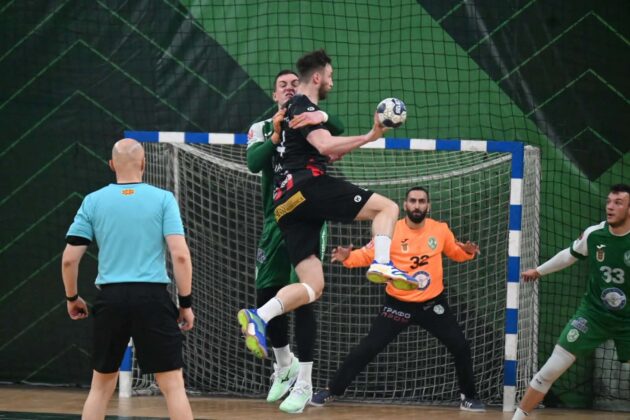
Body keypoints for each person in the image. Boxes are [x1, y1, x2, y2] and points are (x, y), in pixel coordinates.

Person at [238, 48, 417, 412]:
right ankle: (383, 263)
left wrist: (358, 134)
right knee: (387, 208)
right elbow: (323, 144)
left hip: (286, 206)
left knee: (312, 287)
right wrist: (369, 134)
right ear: (318, 77)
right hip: (308, 188)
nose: (333, 82)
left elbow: (330, 150)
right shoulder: (301, 104)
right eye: (331, 76)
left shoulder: (297, 113)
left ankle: (262, 316)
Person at [309, 186, 486, 411]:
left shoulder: (440, 230)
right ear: (405, 205)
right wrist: (347, 257)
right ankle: (332, 390)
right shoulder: (390, 230)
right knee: (368, 347)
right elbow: (367, 255)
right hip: (398, 305)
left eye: (422, 201)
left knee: (460, 345)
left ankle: (468, 397)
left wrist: (467, 251)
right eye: (413, 201)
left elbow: (455, 251)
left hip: (432, 304)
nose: (417, 205)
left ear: (428, 206)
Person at [61, 138, 195, 420]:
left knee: (100, 388)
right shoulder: (163, 199)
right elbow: (181, 256)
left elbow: (69, 259)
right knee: (173, 386)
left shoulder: (93, 201)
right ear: (144, 163)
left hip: (110, 299)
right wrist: (185, 304)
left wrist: (72, 297)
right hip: (152, 299)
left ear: (111, 165)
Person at [246, 69, 344, 412]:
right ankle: (284, 364)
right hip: (274, 220)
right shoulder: (261, 127)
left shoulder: (308, 120)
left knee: (304, 297)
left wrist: (322, 116)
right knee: (266, 294)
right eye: (282, 85)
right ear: (275, 95)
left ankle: (305, 381)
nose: (289, 88)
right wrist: (275, 135)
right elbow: (253, 162)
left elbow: (338, 128)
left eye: (293, 84)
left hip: (306, 215)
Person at [512, 183, 630, 419]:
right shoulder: (595, 234)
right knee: (550, 370)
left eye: (618, 203)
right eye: (609, 201)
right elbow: (569, 255)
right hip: (594, 315)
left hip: (628, 321)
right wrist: (539, 271)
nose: (610, 207)